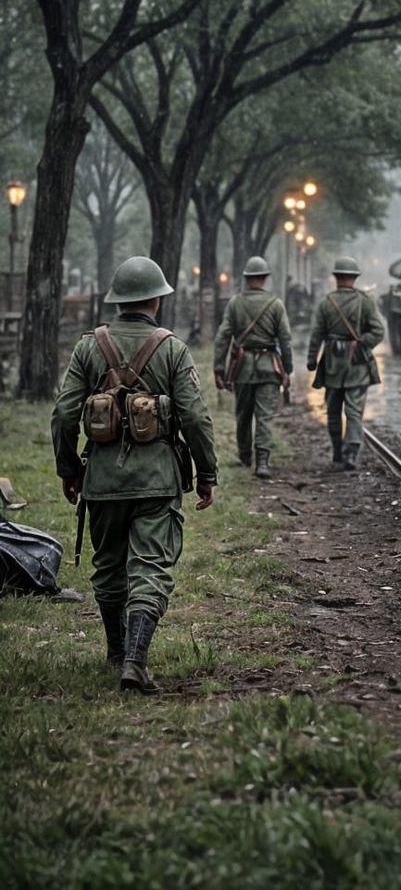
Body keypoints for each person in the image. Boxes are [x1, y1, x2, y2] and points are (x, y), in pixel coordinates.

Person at [50, 256, 219, 693]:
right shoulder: (173, 349)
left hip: (101, 479)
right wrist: (206, 474)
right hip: (157, 480)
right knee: (149, 567)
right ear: (156, 302)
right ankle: (136, 660)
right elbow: (196, 418)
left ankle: (115, 651)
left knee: (107, 568)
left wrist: (70, 470)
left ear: (119, 301)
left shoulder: (89, 347)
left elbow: (64, 415)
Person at [213, 255, 293, 477]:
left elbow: (222, 337)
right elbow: (285, 339)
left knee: (243, 413)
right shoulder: (276, 304)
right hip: (270, 367)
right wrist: (288, 369)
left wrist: (219, 368)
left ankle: (245, 455)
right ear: (265, 278)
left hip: (242, 368)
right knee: (265, 415)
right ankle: (263, 462)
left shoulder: (235, 303)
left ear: (247, 278)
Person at [306, 257, 385, 470]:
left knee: (332, 409)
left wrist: (312, 359)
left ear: (336, 277)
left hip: (332, 364)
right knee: (354, 410)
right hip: (357, 365)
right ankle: (351, 452)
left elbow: (316, 335)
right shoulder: (365, 301)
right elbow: (378, 331)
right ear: (354, 278)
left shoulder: (326, 303)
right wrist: (362, 344)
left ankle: (337, 451)